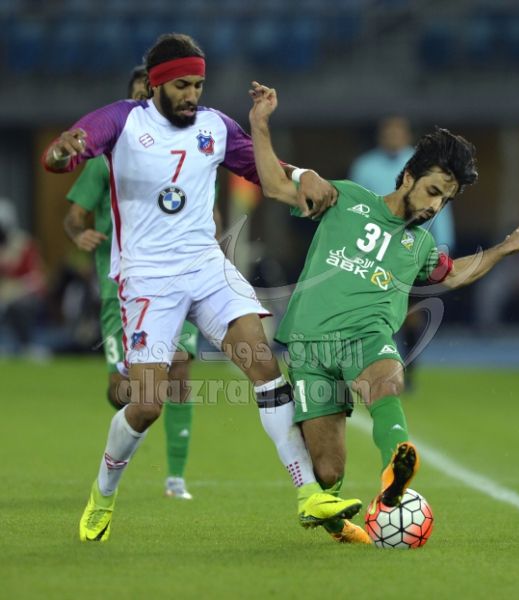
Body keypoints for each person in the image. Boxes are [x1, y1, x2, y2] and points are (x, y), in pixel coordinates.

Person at [43, 33, 360, 542]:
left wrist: (302, 171)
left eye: (198, 85)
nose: (192, 95)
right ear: (156, 84)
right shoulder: (124, 120)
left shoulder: (215, 126)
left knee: (263, 365)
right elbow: (71, 148)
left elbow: (265, 171)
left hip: (206, 266)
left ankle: (308, 494)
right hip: (148, 278)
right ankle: (103, 494)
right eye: (182, 86)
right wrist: (62, 153)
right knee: (147, 405)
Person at [248, 81, 519, 544]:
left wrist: (504, 248)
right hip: (310, 344)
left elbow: (453, 275)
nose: (435, 206)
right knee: (328, 471)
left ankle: (394, 473)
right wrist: (260, 124)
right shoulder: (345, 199)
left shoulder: (420, 244)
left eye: (445, 200)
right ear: (407, 178)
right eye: (433, 191)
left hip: (368, 337)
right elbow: (274, 185)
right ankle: (339, 524)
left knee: (385, 381)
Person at [63, 66, 216, 500]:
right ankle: (125, 439)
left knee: (179, 371)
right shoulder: (106, 160)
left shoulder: (187, 155)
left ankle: (175, 478)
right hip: (123, 289)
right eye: (137, 97)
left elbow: (208, 211)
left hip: (177, 280)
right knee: (125, 393)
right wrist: (79, 234)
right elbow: (74, 217)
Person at [349, 116, 456, 388]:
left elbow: (440, 207)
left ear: (408, 135)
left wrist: (443, 244)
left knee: (411, 313)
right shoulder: (364, 167)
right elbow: (355, 208)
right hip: (376, 250)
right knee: (371, 312)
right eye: (389, 132)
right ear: (380, 135)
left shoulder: (428, 166)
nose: (393, 136)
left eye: (398, 132)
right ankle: (369, 367)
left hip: (413, 250)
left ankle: (408, 369)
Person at [0, 198, 48, 358]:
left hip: (24, 294)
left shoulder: (25, 244)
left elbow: (36, 277)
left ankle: (26, 345)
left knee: (19, 307)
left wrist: (16, 291)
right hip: (4, 294)